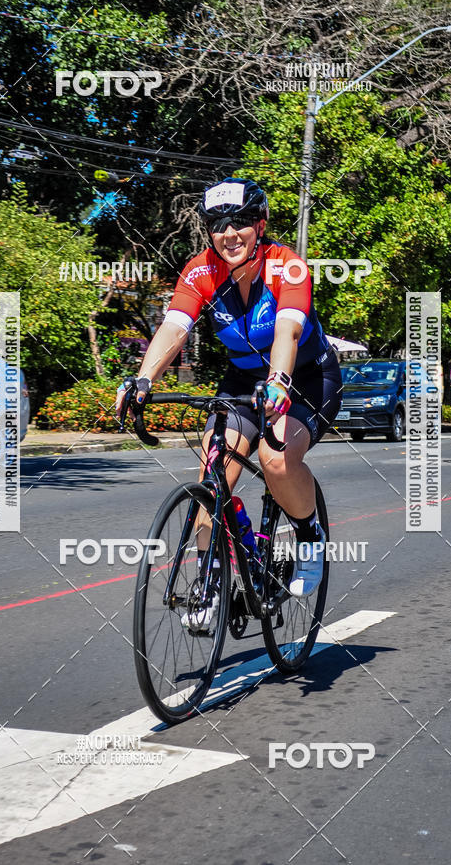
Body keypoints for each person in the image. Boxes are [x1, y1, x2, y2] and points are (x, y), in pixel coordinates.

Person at [115, 177, 342, 625]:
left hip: (307, 377)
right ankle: (210, 583)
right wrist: (142, 379)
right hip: (242, 380)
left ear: (260, 224)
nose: (229, 233)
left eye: (240, 222)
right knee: (212, 475)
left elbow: (288, 331)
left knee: (275, 458)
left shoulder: (287, 267)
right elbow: (175, 328)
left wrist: (279, 380)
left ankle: (308, 534)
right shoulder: (201, 271)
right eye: (218, 224)